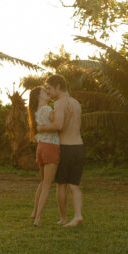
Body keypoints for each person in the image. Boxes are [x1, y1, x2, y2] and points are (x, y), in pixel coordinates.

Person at [37, 74, 84, 227]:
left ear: (58, 86)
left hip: (65, 148)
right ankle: (78, 215)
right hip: (79, 147)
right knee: (74, 185)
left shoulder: (59, 103)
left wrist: (41, 128)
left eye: (49, 88)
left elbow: (58, 125)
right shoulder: (76, 103)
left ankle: (63, 218)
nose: (48, 91)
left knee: (61, 185)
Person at [27, 86, 59, 226]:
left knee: (42, 182)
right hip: (51, 147)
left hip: (41, 147)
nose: (48, 93)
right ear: (39, 96)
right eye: (45, 92)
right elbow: (60, 124)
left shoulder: (35, 113)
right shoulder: (47, 109)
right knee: (47, 184)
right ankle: (38, 218)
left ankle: (34, 212)